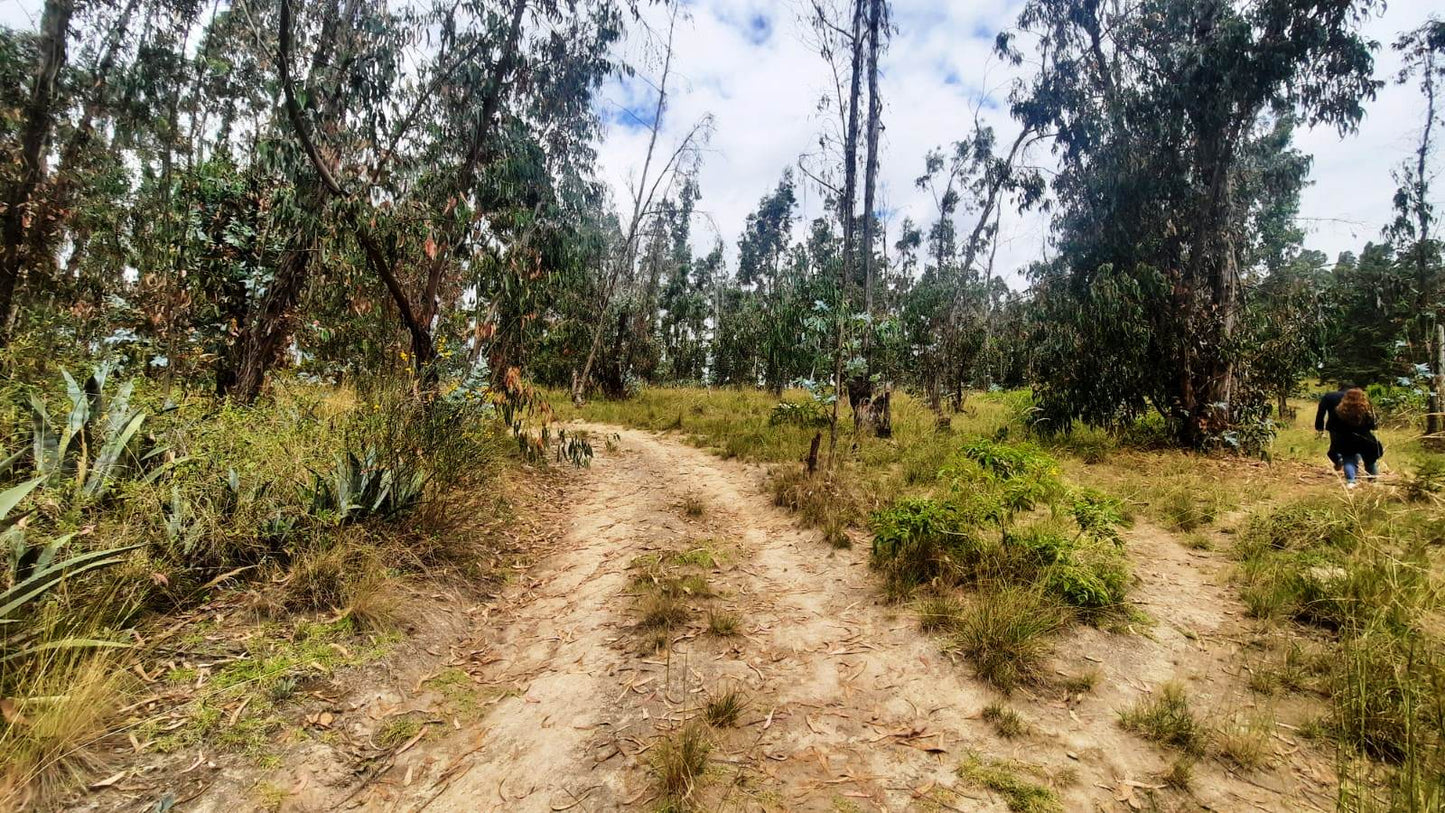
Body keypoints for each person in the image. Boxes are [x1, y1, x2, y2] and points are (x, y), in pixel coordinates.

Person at [1322, 387, 1383, 487]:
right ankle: (1373, 481)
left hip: (1346, 439)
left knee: (1349, 460)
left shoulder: (1338, 411)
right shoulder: (1367, 411)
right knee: (1370, 461)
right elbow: (1374, 425)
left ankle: (1351, 481)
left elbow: (1330, 426)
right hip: (1365, 439)